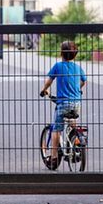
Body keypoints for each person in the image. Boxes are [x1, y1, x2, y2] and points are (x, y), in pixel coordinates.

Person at [40, 41, 87, 170]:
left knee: (56, 129)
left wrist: (44, 90)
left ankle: (54, 157)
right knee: (72, 123)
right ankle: (75, 142)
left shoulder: (58, 66)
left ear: (61, 53)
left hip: (63, 103)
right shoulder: (78, 67)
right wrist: (78, 90)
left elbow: (49, 80)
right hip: (76, 102)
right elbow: (84, 80)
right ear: (75, 55)